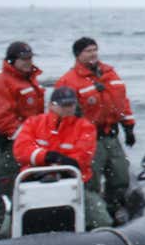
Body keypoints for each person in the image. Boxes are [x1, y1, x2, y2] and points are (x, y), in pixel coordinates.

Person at [9, 85, 112, 233]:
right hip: (34, 180)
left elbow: (82, 158)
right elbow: (21, 150)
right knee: (6, 229)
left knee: (102, 221)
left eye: (71, 104)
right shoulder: (34, 123)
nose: (68, 109)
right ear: (51, 105)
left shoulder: (85, 127)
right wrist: (47, 157)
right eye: (64, 105)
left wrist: (59, 163)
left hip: (73, 182)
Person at [58, 36, 136, 219]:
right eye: (88, 51)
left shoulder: (110, 74)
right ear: (78, 55)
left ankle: (113, 208)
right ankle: (94, 216)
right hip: (89, 139)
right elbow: (62, 116)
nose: (93, 54)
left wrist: (129, 127)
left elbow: (122, 102)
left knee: (120, 176)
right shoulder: (69, 81)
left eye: (95, 49)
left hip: (111, 135)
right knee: (90, 180)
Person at [0, 41, 45, 234]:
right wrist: (26, 138)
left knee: (28, 184)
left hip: (26, 143)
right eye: (23, 59)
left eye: (30, 58)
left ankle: (28, 227)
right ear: (12, 60)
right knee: (3, 191)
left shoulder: (28, 81)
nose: (28, 62)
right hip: (5, 146)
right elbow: (2, 118)